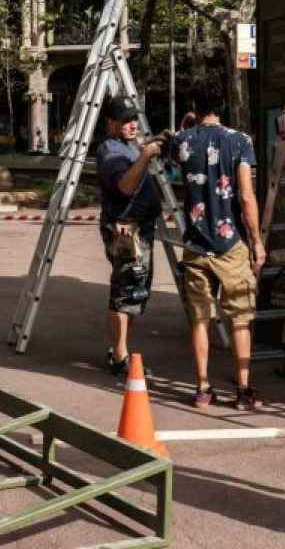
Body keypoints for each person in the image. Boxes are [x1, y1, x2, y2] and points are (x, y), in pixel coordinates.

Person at [172, 75, 265, 410]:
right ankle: (243, 390)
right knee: (240, 317)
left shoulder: (182, 140)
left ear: (194, 107)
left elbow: (172, 152)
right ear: (222, 105)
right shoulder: (240, 141)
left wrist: (187, 125)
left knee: (199, 319)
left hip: (196, 244)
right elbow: (246, 196)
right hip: (231, 244)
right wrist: (256, 240)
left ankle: (202, 388)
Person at [96, 95, 167, 376]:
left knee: (135, 292)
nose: (132, 125)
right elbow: (124, 186)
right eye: (125, 120)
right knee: (125, 294)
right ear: (110, 123)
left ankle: (118, 348)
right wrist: (147, 155)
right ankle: (120, 356)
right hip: (128, 230)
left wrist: (156, 142)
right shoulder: (110, 151)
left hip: (140, 229)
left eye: (134, 119)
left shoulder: (126, 145)